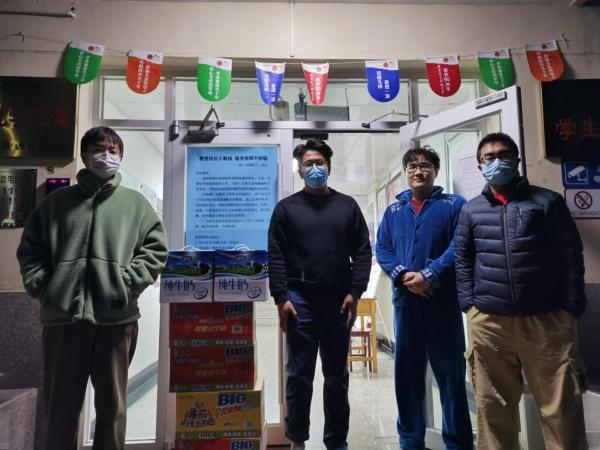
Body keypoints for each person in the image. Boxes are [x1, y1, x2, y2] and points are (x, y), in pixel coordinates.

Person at [16, 126, 168, 450]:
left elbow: (155, 250)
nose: (106, 155)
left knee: (112, 408)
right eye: (99, 149)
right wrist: (45, 287)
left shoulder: (136, 205)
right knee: (61, 409)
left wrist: (127, 284)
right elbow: (30, 251)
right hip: (63, 321)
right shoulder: (57, 203)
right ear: (84, 156)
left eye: (114, 150)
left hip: (116, 321)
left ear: (121, 157)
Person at [454, 132, 587, 450]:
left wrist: (570, 306)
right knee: (493, 408)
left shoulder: (547, 202)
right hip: (490, 323)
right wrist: (470, 305)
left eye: (503, 155)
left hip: (547, 319)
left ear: (516, 160)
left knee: (561, 408)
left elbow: (570, 254)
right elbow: (462, 260)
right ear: (479, 165)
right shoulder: (471, 211)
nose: (496, 161)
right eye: (489, 157)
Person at [268, 138, 372, 450]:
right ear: (300, 170)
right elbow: (276, 255)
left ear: (329, 166)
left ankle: (336, 441)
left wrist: (355, 291)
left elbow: (362, 251)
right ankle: (297, 439)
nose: (315, 168)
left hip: (338, 301)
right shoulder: (286, 209)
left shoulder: (347, 206)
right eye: (308, 164)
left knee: (337, 377)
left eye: (320, 163)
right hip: (299, 301)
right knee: (299, 375)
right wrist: (281, 297)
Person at [376, 147, 473, 450]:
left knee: (451, 377)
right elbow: (383, 249)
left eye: (425, 166)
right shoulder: (394, 211)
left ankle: (458, 443)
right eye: (412, 166)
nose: (418, 171)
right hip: (405, 304)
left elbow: (459, 245)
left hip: (442, 304)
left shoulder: (454, 205)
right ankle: (410, 440)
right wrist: (404, 275)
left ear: (435, 171)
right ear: (406, 173)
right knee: (407, 377)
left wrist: (430, 274)